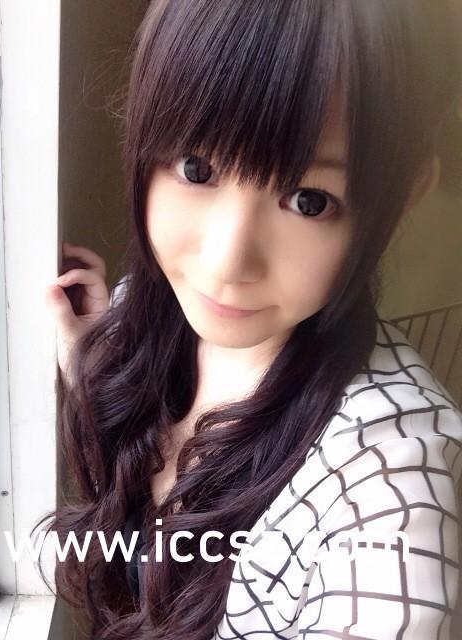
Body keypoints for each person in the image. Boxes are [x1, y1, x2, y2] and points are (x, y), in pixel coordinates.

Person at [42, 1, 462, 639]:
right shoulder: (151, 315)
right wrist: (92, 356)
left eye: (308, 200)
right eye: (197, 169)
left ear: (398, 204)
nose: (226, 262)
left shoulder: (387, 472)